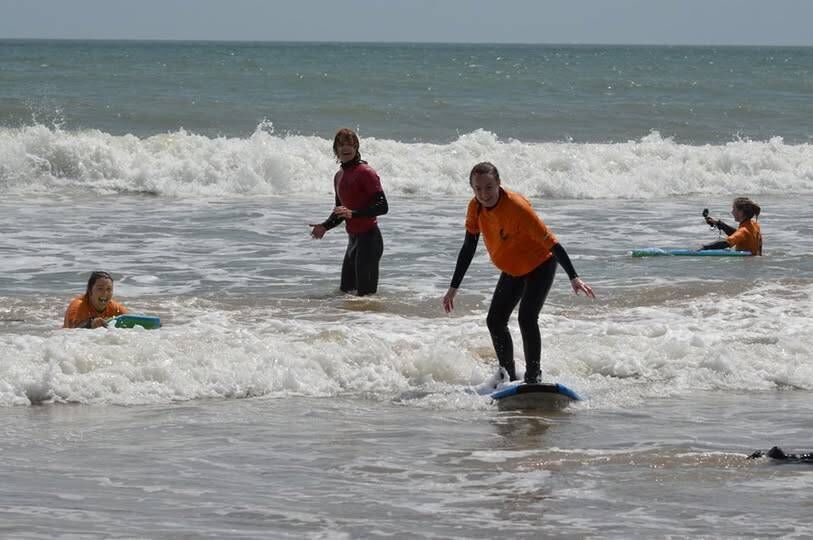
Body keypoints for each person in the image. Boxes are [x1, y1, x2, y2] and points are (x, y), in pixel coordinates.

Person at [442, 162, 595, 384]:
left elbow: (553, 243)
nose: (484, 194)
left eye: (489, 187)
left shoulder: (517, 208)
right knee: (495, 320)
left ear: (499, 184)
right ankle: (507, 376)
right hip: (513, 269)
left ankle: (533, 376)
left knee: (527, 317)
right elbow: (468, 247)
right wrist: (453, 287)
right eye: (478, 188)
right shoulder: (475, 207)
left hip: (540, 264)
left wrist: (574, 276)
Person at [309, 128, 388, 296]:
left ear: (356, 147)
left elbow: (382, 206)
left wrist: (353, 213)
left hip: (369, 240)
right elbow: (341, 211)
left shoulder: (366, 172)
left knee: (366, 298)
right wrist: (324, 226)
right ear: (336, 149)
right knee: (346, 293)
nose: (346, 148)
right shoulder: (339, 176)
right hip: (353, 241)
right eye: (341, 144)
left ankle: (379, 315)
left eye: (350, 144)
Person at [63, 271, 127, 328]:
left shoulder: (115, 308)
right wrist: (90, 324)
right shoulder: (78, 306)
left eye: (109, 289)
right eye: (100, 288)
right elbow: (73, 330)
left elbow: (129, 320)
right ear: (90, 290)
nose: (105, 293)